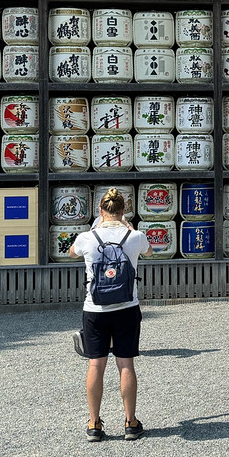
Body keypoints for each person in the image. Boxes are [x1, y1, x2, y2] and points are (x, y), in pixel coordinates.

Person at [70, 187, 153, 441]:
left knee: (96, 363)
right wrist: (127, 227)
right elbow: (150, 252)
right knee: (125, 363)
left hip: (95, 309)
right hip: (127, 307)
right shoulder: (135, 236)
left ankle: (94, 423)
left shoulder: (88, 237)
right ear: (124, 210)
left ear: (100, 211)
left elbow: (71, 252)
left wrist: (95, 230)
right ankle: (130, 422)